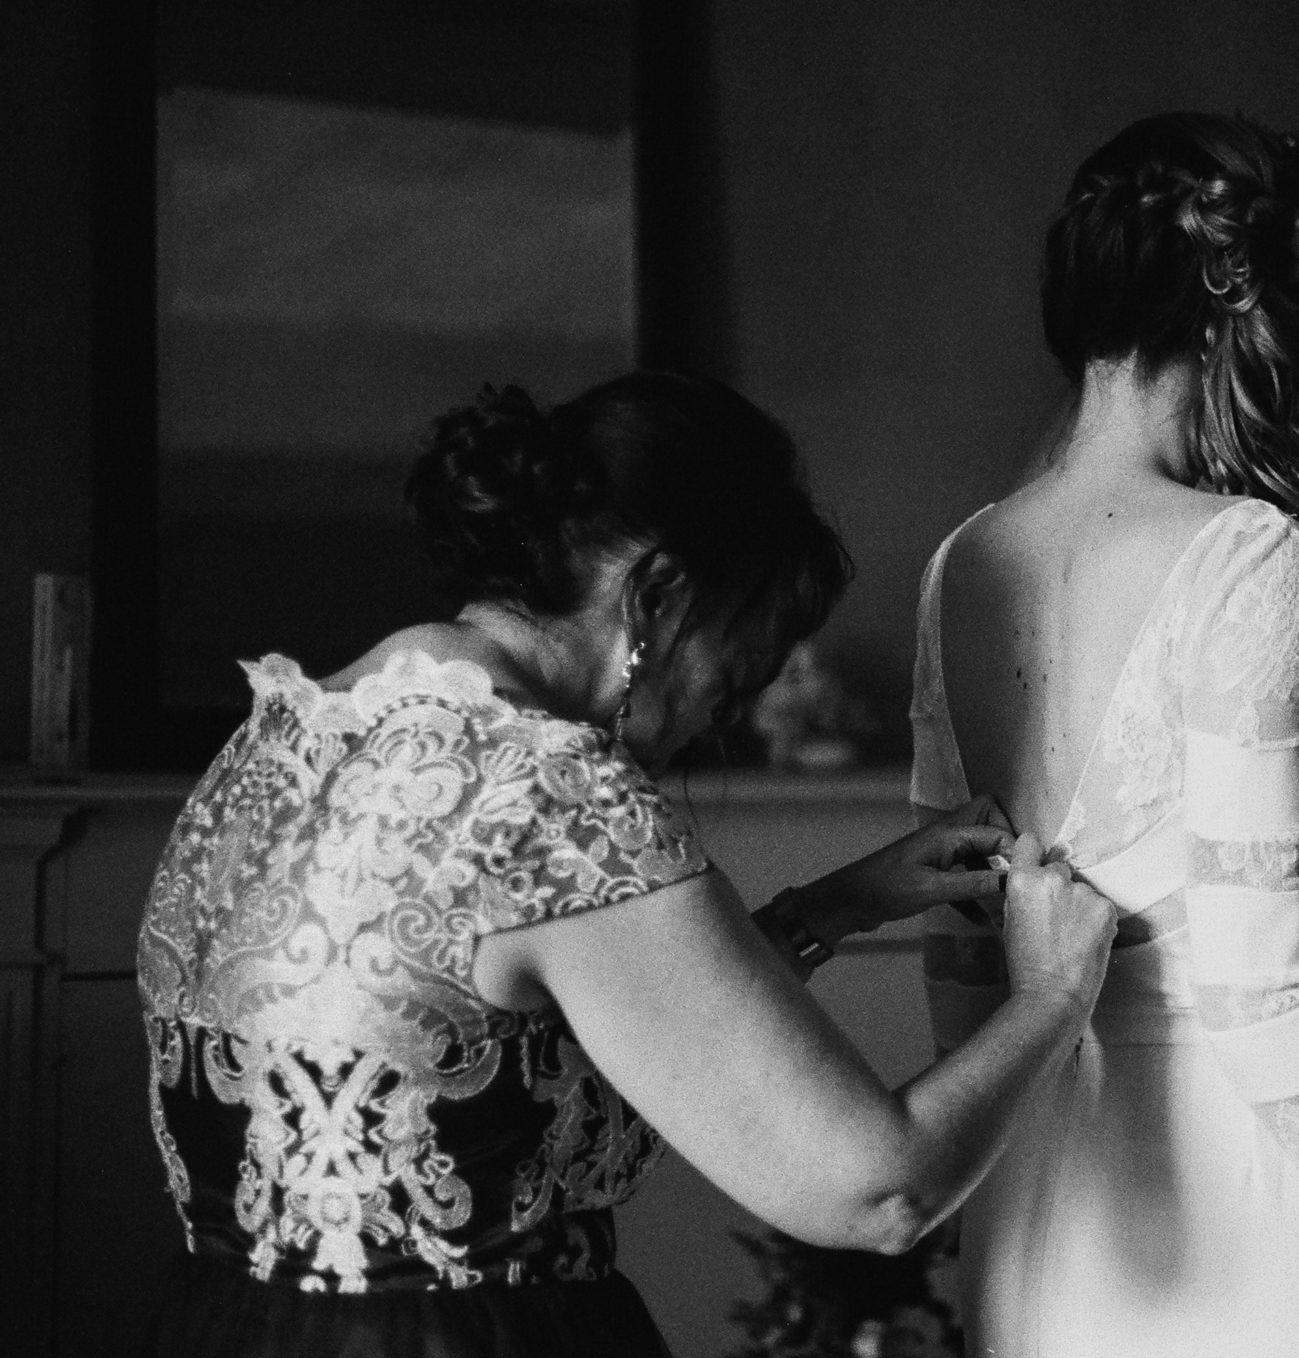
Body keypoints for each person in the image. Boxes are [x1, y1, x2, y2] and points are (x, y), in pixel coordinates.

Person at [136, 372, 1118, 1358]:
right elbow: (877, 1189)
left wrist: (844, 901)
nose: (704, 727)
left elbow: (527, 1047)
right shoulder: (553, 791)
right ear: (654, 593)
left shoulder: (286, 733)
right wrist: (1053, 986)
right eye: (727, 678)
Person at [911, 113, 1299, 1357]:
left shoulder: (958, 562)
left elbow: (961, 960)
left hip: (1035, 1212)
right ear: (1240, 314)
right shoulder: (1243, 556)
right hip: (1233, 1214)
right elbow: (1257, 1001)